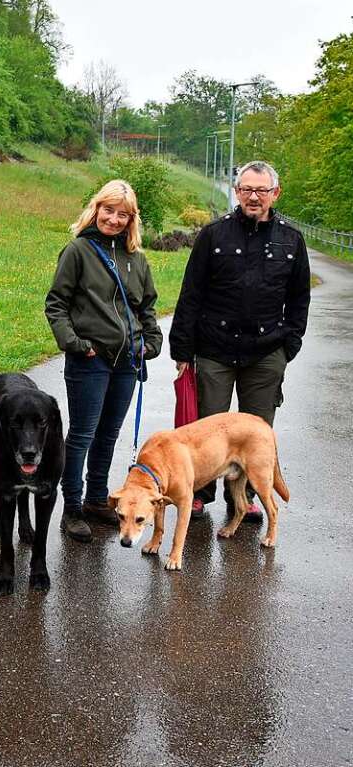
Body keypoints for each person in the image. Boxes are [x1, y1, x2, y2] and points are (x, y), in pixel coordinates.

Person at [169, 160, 310, 521]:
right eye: (246, 189)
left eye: (261, 190)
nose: (253, 196)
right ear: (237, 191)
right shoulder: (213, 235)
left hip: (266, 353)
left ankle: (243, 498)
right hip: (214, 348)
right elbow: (191, 294)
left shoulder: (291, 240)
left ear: (274, 194)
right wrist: (182, 348)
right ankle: (199, 493)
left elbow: (299, 299)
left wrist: (288, 347)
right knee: (206, 429)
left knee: (256, 432)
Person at [45, 180, 162, 543]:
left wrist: (151, 341)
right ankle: (73, 509)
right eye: (108, 210)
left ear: (131, 220)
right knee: (81, 435)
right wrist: (76, 344)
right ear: (96, 209)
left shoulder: (138, 260)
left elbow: (146, 309)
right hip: (90, 359)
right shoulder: (78, 251)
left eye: (122, 214)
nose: (113, 219)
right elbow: (56, 304)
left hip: (127, 362)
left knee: (109, 435)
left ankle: (98, 500)